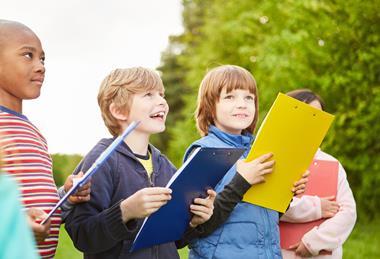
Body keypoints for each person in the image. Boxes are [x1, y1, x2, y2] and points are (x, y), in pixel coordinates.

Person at [64, 67, 219, 259]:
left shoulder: (165, 165)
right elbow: (82, 236)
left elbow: (176, 240)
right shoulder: (102, 161)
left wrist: (194, 222)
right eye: (148, 95)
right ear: (119, 111)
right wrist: (125, 211)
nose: (162, 101)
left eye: (162, 95)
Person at [182, 65, 308, 259]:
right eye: (230, 97)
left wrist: (287, 193)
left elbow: (264, 216)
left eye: (249, 98)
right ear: (210, 106)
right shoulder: (204, 152)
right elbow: (196, 229)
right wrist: (242, 181)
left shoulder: (261, 151)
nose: (242, 104)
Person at [0, 19, 91, 258]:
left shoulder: (34, 133)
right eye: (28, 55)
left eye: (42, 58)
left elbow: (42, 204)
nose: (41, 66)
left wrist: (67, 197)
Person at [280, 89, 357, 258]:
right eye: (307, 115)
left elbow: (348, 212)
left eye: (318, 116)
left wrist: (314, 242)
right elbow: (273, 206)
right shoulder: (274, 160)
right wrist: (317, 207)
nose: (313, 122)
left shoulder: (332, 163)